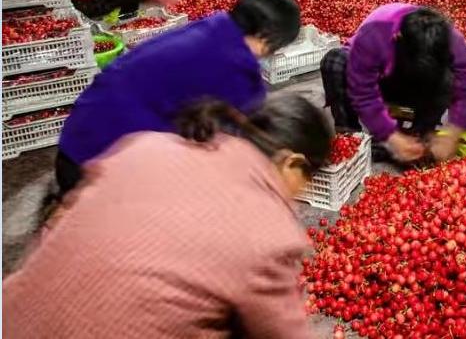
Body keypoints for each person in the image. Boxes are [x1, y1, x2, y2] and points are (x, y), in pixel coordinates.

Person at [4, 96, 333, 339]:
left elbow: (62, 224)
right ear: (293, 163)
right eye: (308, 180)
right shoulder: (265, 233)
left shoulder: (146, 147)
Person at [55, 0, 301, 196]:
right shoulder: (237, 67)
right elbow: (246, 136)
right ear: (267, 39)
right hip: (102, 166)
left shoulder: (211, 26)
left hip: (78, 137)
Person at [320, 4, 466, 163]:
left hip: (420, 92)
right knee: (334, 62)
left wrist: (452, 134)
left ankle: (420, 132)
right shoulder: (375, 34)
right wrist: (391, 136)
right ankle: (353, 140)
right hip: (384, 84)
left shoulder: (450, 39)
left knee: (453, 78)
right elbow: (363, 93)